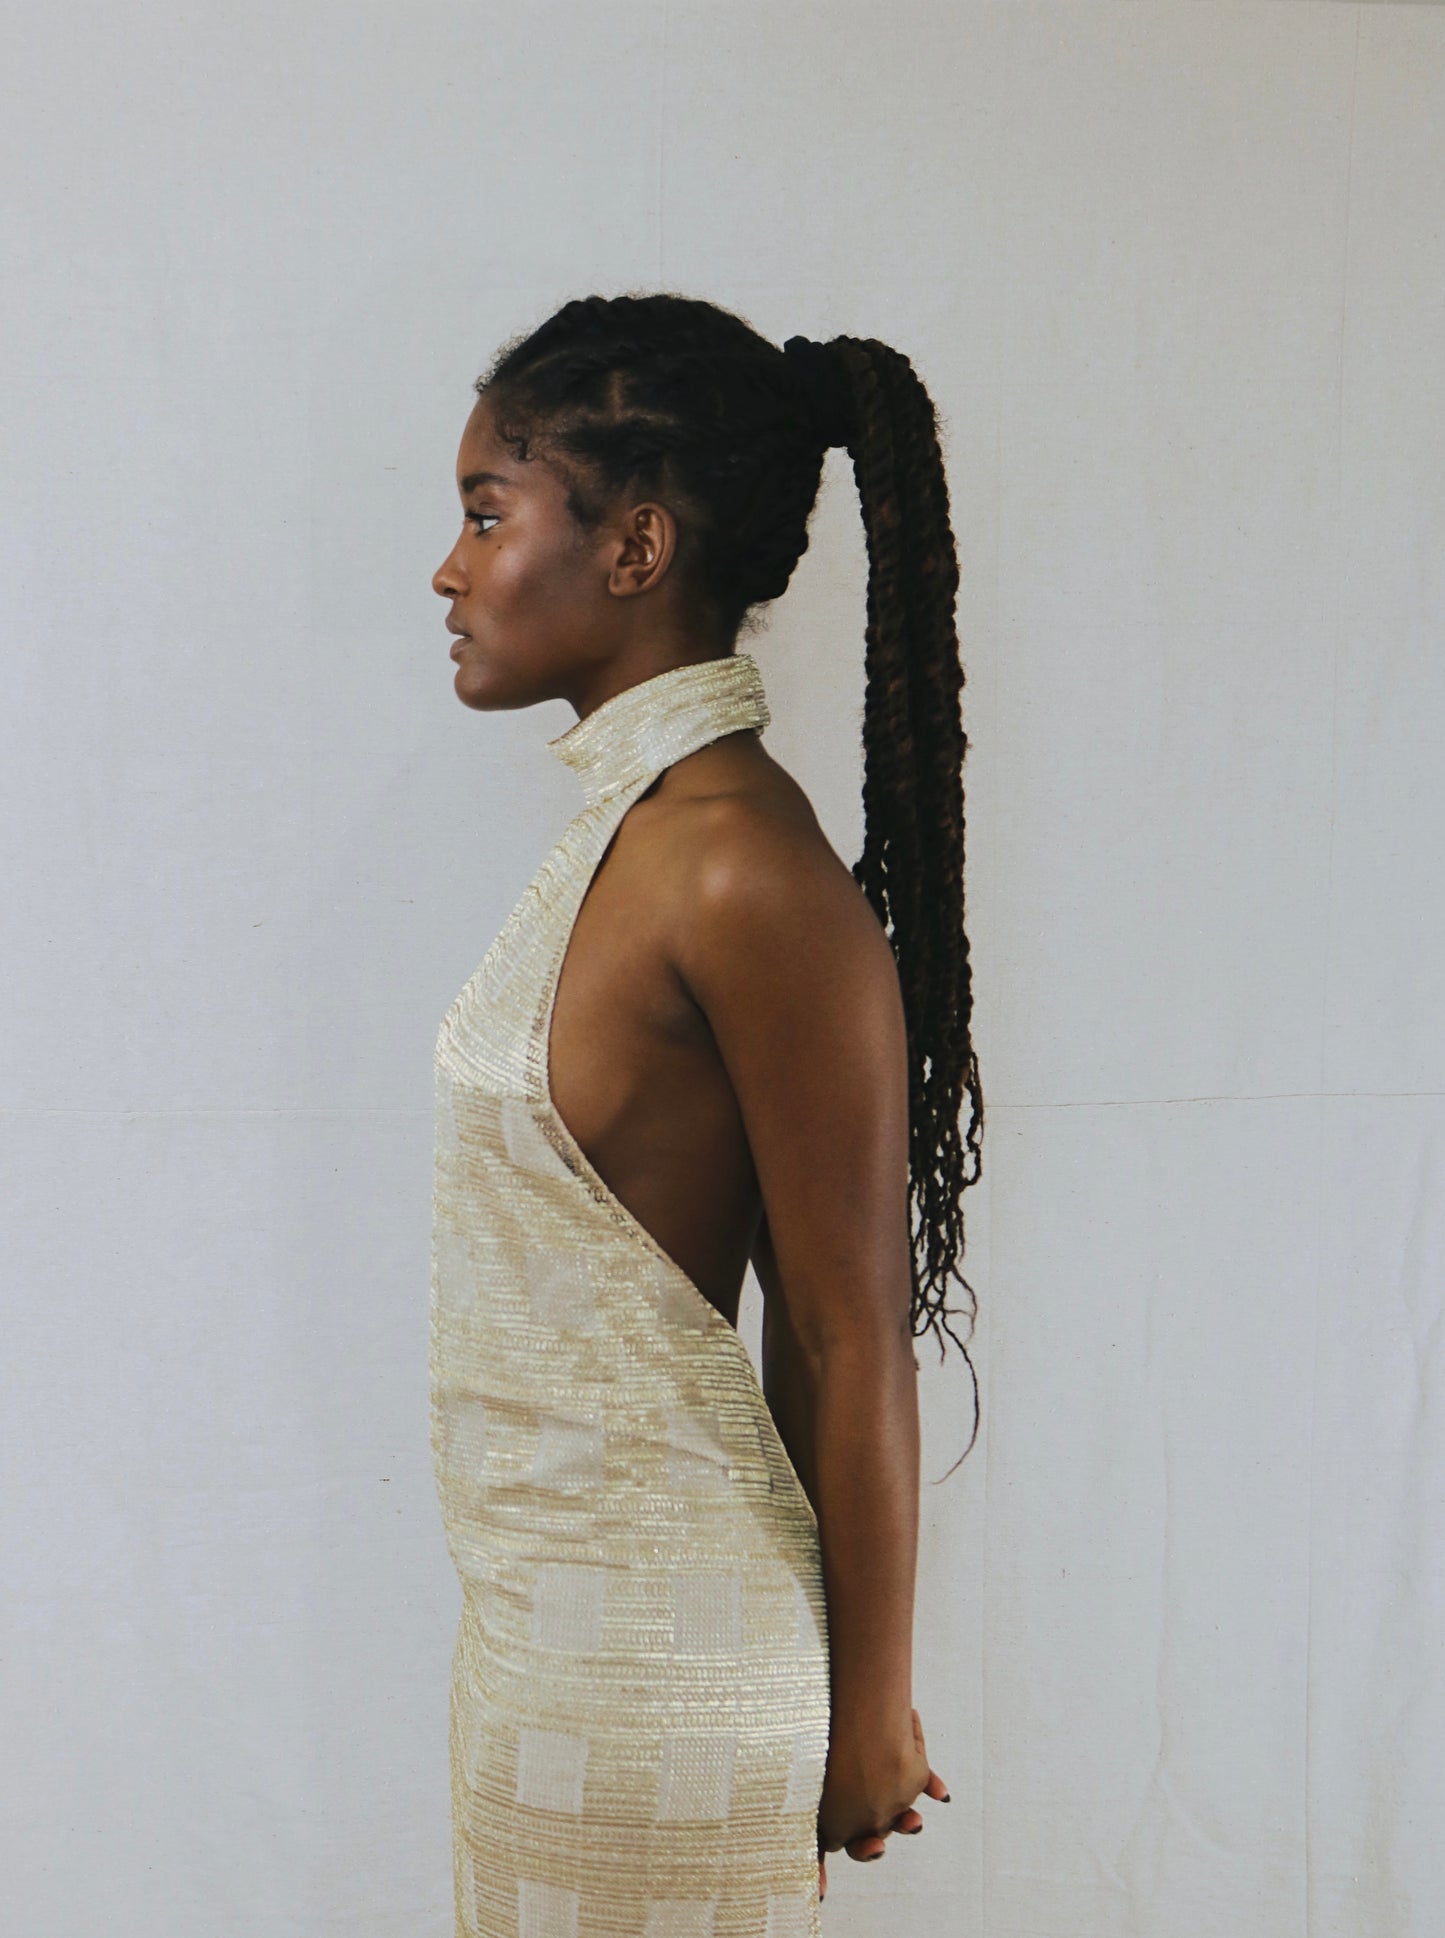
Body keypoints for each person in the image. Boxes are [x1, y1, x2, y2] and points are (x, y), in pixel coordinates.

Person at [428, 292, 983, 1938]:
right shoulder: (629, 835)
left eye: (484, 514)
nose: (448, 570)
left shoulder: (737, 865)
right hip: (541, 1661)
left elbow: (843, 1327)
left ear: (634, 546)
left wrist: (872, 1706)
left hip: (665, 1678)